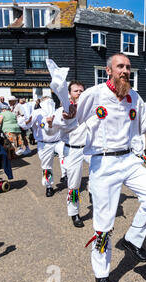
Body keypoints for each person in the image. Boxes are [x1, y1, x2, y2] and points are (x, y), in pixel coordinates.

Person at [58, 53, 146, 282]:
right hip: (104, 162)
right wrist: (66, 116)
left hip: (129, 159)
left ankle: (132, 239)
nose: (125, 71)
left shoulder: (135, 97)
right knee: (104, 226)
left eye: (128, 67)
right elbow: (72, 120)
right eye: (120, 66)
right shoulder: (95, 94)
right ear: (108, 70)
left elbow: (141, 126)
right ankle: (102, 275)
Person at [48, 80, 89, 228]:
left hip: (90, 149)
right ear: (69, 94)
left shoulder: (88, 108)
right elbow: (51, 131)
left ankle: (95, 198)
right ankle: (74, 213)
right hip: (72, 150)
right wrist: (63, 119)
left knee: (102, 175)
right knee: (74, 184)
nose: (79, 93)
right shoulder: (61, 111)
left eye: (82, 91)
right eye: (76, 91)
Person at [20, 96, 64, 197]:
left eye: (51, 100)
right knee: (46, 166)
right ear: (41, 103)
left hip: (58, 141)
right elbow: (27, 125)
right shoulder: (37, 112)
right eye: (46, 101)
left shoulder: (57, 111)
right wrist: (26, 121)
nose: (49, 102)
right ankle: (49, 186)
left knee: (65, 156)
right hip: (44, 143)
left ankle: (65, 175)